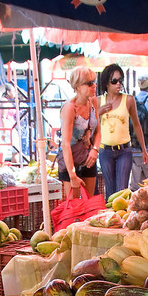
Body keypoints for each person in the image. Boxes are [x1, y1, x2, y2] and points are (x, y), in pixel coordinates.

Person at [96, 64, 148, 195]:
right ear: (106, 82)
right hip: (105, 151)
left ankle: (121, 215)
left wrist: (144, 150)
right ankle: (112, 216)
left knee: (122, 191)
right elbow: (91, 125)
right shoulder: (98, 101)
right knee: (110, 192)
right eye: (114, 81)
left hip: (124, 151)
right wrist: (98, 112)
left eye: (121, 80)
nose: (118, 84)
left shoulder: (128, 100)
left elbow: (137, 124)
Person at [57, 66, 100, 198]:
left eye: (94, 82)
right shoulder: (70, 108)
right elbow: (65, 144)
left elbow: (98, 130)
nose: (94, 86)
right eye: (89, 83)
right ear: (78, 87)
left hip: (88, 157)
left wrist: (95, 150)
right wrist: (72, 175)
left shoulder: (92, 101)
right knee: (74, 206)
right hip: (71, 161)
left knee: (90, 203)